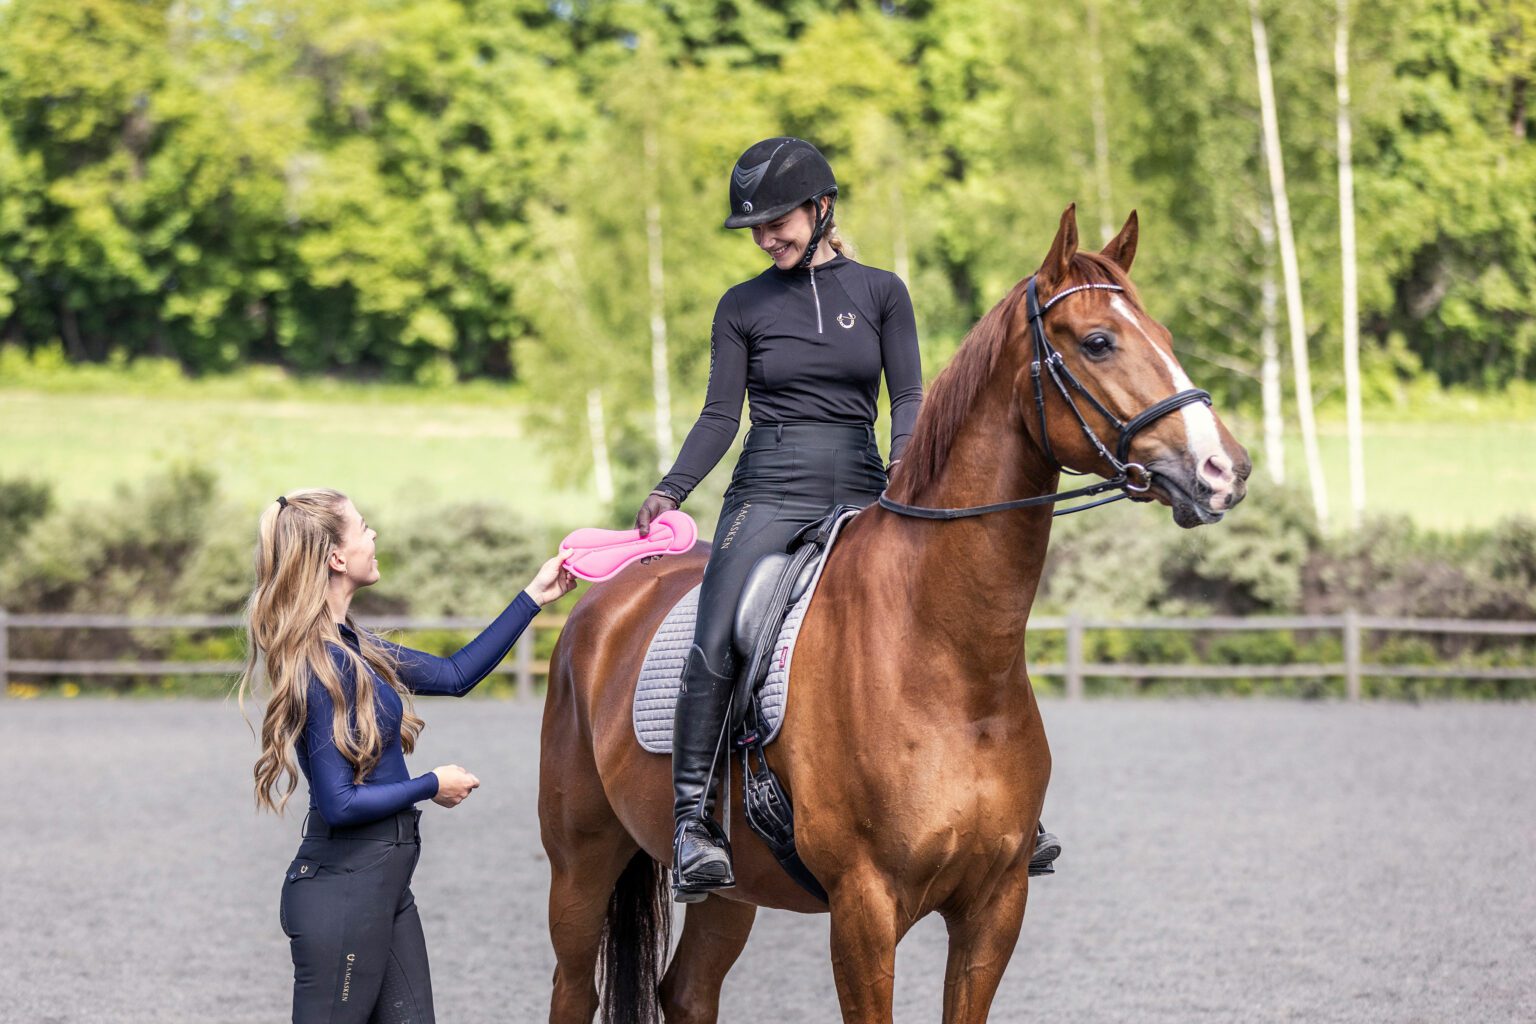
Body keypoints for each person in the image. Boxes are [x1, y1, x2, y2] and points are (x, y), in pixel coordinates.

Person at [635, 136, 935, 901]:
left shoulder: (881, 292)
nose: (768, 236)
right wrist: (673, 488)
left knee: (942, 613)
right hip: (766, 489)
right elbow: (717, 415)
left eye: (778, 220)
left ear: (821, 207)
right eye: (756, 228)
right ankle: (694, 823)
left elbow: (907, 396)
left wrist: (904, 460)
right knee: (717, 626)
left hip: (863, 486)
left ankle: (999, 800)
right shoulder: (741, 305)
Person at [238, 489, 575, 1023]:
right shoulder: (317, 665)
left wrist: (534, 595)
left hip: (384, 888)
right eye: (364, 528)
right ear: (336, 558)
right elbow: (339, 803)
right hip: (343, 895)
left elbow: (456, 675)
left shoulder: (355, 645)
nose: (374, 536)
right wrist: (430, 784)